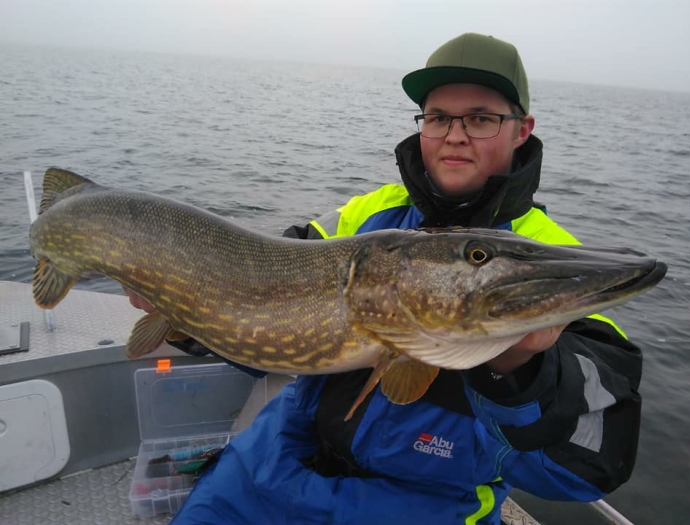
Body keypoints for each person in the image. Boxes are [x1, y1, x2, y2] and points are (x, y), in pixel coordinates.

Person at [126, 33, 642, 524]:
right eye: (438, 117)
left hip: (422, 504)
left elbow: (586, 468)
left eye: (481, 118)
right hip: (273, 460)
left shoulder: (555, 258)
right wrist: (183, 315)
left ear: (521, 129)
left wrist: (522, 373)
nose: (455, 135)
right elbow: (261, 327)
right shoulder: (365, 216)